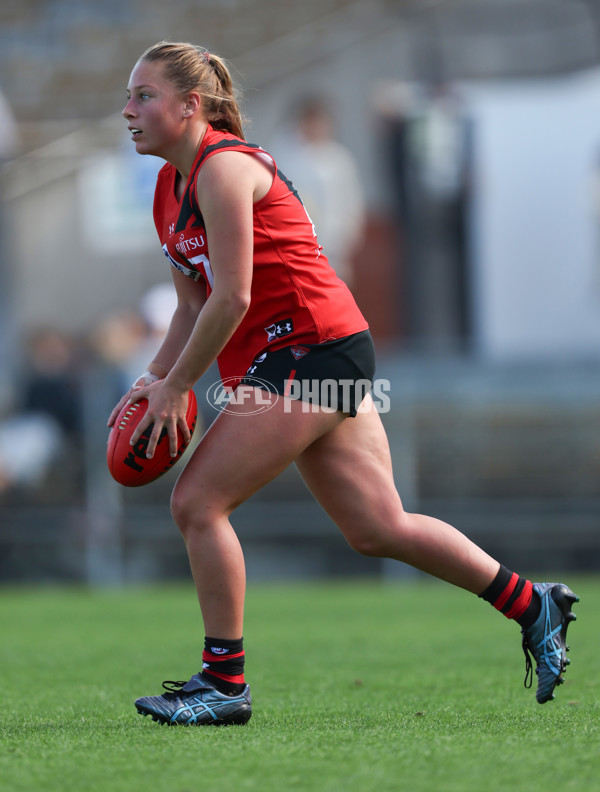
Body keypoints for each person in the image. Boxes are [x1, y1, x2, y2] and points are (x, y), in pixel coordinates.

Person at [112, 41, 578, 726]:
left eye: (143, 95)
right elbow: (189, 306)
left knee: (197, 502)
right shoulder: (167, 188)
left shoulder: (224, 168)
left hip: (311, 351)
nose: (127, 110)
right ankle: (531, 603)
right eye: (127, 96)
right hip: (315, 352)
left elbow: (233, 297)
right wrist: (154, 377)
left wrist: (179, 384)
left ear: (192, 106)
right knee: (377, 526)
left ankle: (224, 684)